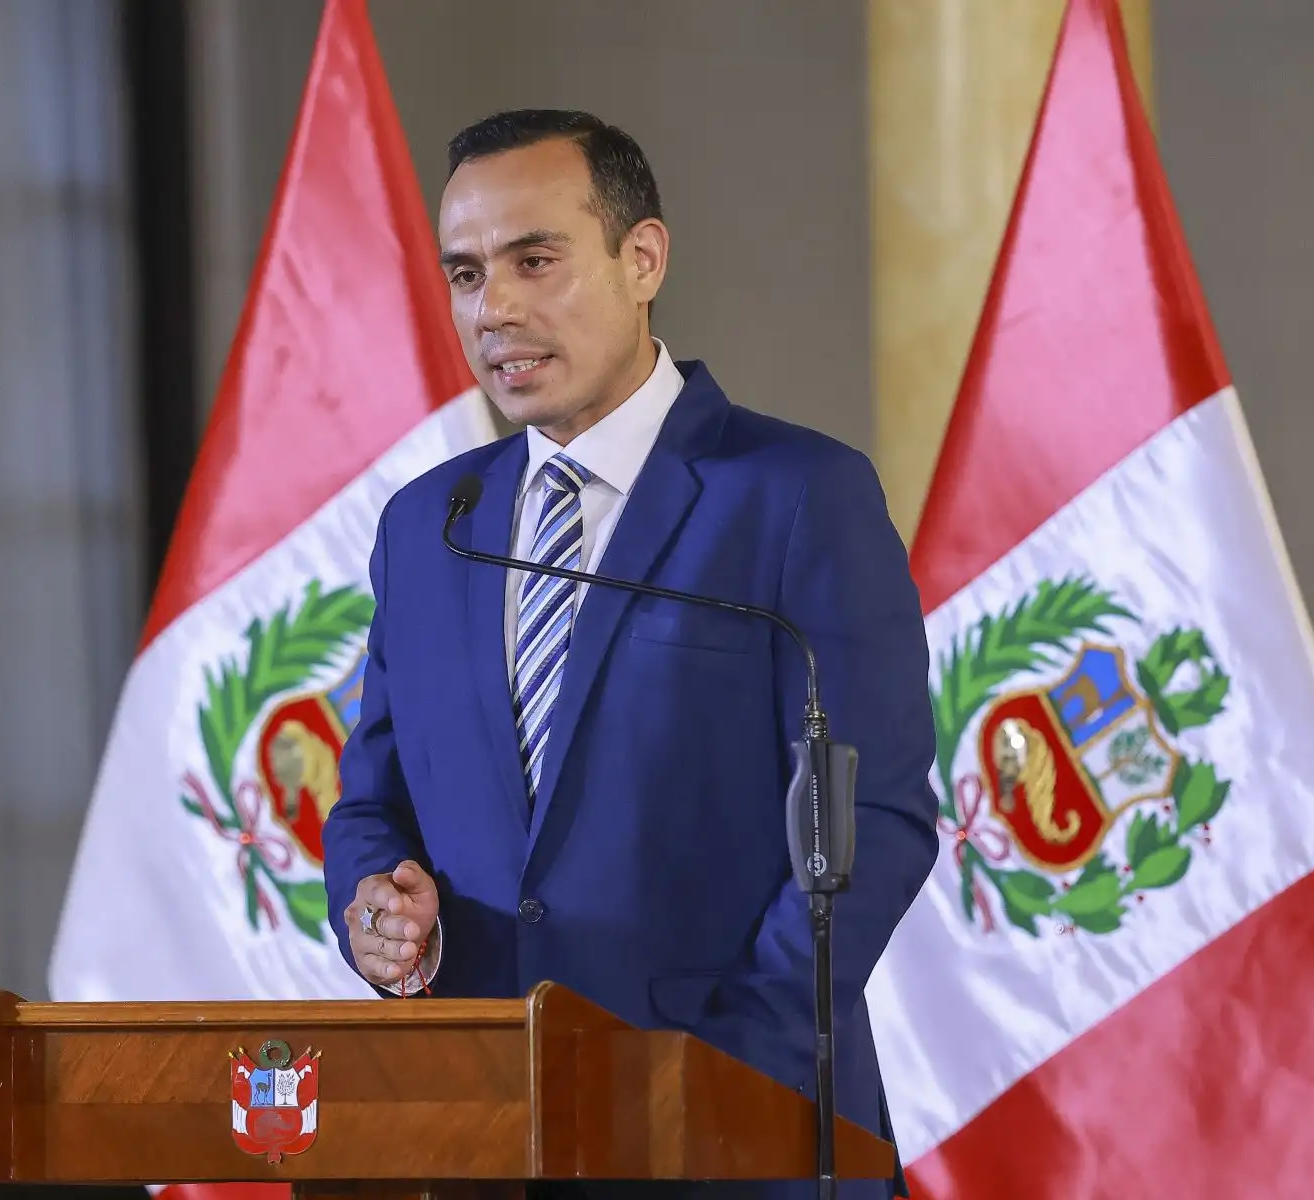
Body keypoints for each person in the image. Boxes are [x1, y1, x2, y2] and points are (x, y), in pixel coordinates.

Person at [321, 109, 937, 1200]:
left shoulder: (795, 497)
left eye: (534, 260)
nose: (493, 307)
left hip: (734, 1129)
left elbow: (874, 818)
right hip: (483, 1136)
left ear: (641, 258)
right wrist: (376, 908)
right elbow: (374, 802)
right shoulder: (428, 526)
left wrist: (716, 1074)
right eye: (465, 274)